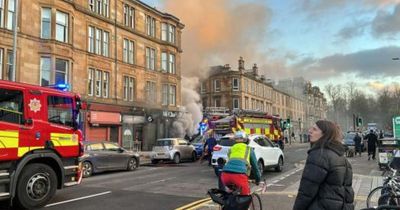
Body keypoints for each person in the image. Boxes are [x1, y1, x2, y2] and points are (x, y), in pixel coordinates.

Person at [293, 120, 354, 210]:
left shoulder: (319, 155)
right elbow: (348, 192)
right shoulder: (341, 156)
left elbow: (307, 191)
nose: (310, 131)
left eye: (315, 129)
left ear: (325, 134)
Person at [220, 131, 261, 195]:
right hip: (240, 175)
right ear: (246, 140)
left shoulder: (231, 149)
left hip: (225, 175)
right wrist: (258, 180)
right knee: (245, 197)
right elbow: (255, 167)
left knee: (229, 196)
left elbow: (228, 161)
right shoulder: (248, 149)